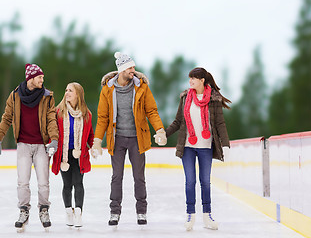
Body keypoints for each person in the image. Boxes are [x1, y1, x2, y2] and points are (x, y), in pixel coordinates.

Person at [91, 52, 167, 226]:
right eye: (130, 67)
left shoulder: (141, 87)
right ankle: (114, 212)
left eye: (133, 67)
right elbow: (103, 117)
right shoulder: (108, 90)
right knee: (116, 176)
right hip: (116, 139)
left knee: (139, 177)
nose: (134, 70)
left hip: (136, 139)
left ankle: (141, 211)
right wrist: (97, 140)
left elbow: (152, 111)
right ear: (122, 69)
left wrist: (160, 130)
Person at [0, 63, 59, 231]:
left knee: (43, 182)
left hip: (41, 146)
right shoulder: (15, 96)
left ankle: (44, 210)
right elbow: (7, 117)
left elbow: (51, 119)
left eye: (42, 77)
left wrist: (54, 139)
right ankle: (24, 211)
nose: (42, 80)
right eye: (39, 77)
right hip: (23, 144)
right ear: (30, 78)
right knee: (23, 181)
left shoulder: (47, 96)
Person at [165, 67, 231, 231]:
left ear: (202, 80)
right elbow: (178, 121)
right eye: (189, 78)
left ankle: (207, 216)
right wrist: (164, 134)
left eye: (193, 78)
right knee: (190, 182)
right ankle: (190, 215)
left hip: (206, 147)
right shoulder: (185, 97)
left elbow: (220, 124)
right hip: (188, 146)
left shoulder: (213, 100)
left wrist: (225, 144)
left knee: (205, 183)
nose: (190, 81)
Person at [51, 82, 94, 228]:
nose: (67, 93)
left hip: (79, 155)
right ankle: (69, 212)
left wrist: (94, 146)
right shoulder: (58, 112)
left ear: (78, 94)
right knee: (67, 185)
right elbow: (53, 132)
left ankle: (78, 214)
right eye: (66, 90)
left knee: (78, 183)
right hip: (63, 156)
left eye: (70, 90)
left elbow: (91, 136)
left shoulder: (86, 114)